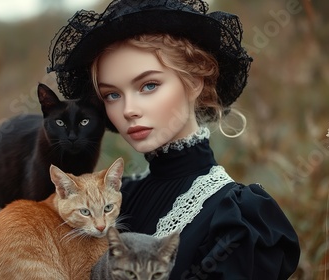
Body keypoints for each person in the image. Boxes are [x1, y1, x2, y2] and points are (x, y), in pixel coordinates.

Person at [47, 0, 300, 279]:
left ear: (194, 82)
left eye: (149, 85)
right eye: (112, 95)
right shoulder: (112, 199)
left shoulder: (236, 216)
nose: (128, 109)